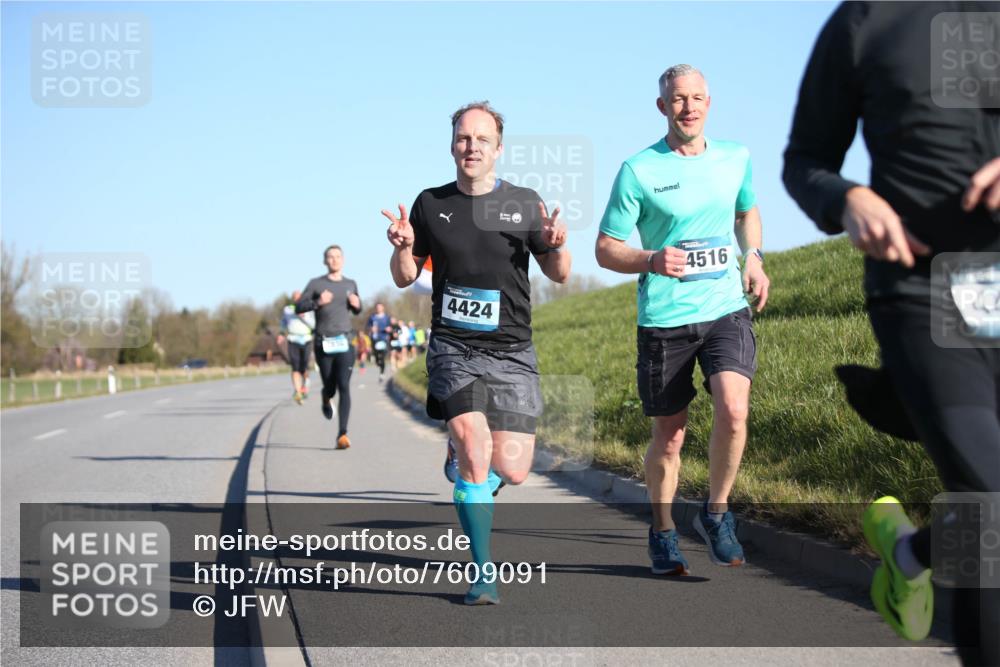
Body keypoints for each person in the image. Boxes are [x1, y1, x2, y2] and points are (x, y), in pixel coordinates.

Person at [783, 4, 999, 662]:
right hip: (921, 291)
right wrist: (847, 197)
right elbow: (805, 160)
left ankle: (909, 552)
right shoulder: (865, 21)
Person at [382, 100, 571, 605]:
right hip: (453, 346)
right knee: (472, 441)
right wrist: (403, 246)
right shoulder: (429, 204)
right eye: (464, 138)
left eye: (482, 139)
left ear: (498, 149)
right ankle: (483, 572)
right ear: (452, 146)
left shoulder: (524, 203)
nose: (472, 147)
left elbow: (559, 273)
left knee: (512, 470)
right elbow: (405, 275)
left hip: (512, 349)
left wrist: (555, 245)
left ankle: (465, 457)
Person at [595, 64, 770, 575]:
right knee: (669, 435)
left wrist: (753, 255)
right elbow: (606, 248)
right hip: (665, 318)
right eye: (677, 99)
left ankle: (716, 514)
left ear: (709, 103)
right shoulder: (638, 170)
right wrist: (651, 259)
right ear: (662, 107)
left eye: (696, 98)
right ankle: (664, 530)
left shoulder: (736, 157)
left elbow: (747, 210)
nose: (688, 107)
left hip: (723, 308)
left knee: (735, 409)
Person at [296, 245, 363, 450]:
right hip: (323, 342)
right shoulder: (316, 284)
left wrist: (357, 304)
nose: (334, 260)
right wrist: (318, 301)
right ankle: (326, 397)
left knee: (344, 386)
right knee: (330, 386)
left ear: (343, 260)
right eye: (330, 257)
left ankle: (342, 434)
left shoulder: (350, 284)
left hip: (344, 342)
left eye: (337, 257)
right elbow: (299, 306)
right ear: (325, 261)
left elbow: (357, 309)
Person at [277, 290, 315, 404]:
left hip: (306, 339)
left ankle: (305, 384)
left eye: (299, 297)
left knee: (304, 367)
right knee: (295, 367)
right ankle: (298, 392)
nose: (297, 299)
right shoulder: (288, 309)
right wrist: (281, 334)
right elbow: (284, 323)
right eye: (295, 297)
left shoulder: (310, 309)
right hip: (293, 339)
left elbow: (314, 325)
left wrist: (303, 316)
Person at [367, 302, 392, 381]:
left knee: (383, 356)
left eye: (380, 307)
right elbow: (368, 327)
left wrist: (389, 329)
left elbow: (391, 327)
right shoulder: (372, 317)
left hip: (384, 338)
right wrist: (371, 329)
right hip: (375, 339)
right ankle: (378, 362)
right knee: (377, 357)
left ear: (383, 308)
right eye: (377, 307)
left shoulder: (387, 317)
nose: (378, 309)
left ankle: (382, 373)